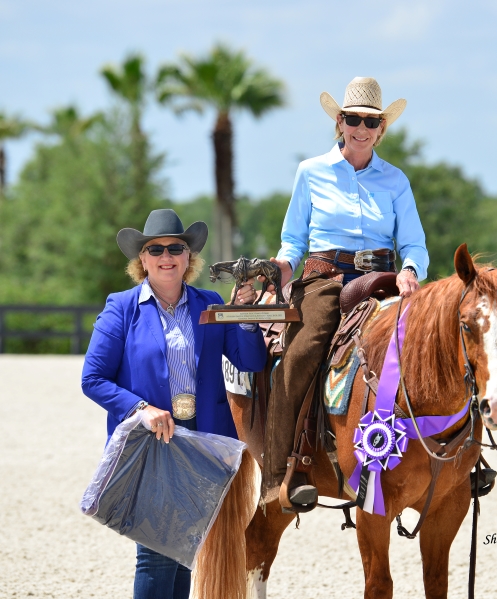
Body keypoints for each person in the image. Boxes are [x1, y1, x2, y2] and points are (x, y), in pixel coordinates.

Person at [234, 76, 429, 511]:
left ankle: (454, 459)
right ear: (340, 122)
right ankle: (281, 473)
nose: (361, 128)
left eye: (371, 122)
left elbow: (413, 242)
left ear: (382, 129)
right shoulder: (311, 172)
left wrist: (412, 269)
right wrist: (278, 269)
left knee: (434, 345)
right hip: (325, 279)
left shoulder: (397, 181)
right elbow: (293, 242)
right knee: (300, 354)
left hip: (382, 279)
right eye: (353, 119)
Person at [81, 209, 266, 599]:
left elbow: (250, 361)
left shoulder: (211, 303)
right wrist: (140, 409)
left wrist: (245, 315)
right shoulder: (122, 307)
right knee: (155, 554)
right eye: (156, 249)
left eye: (176, 248)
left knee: (181, 551)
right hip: (151, 444)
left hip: (202, 443)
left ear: (188, 258)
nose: (167, 255)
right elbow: (93, 379)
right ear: (142, 260)